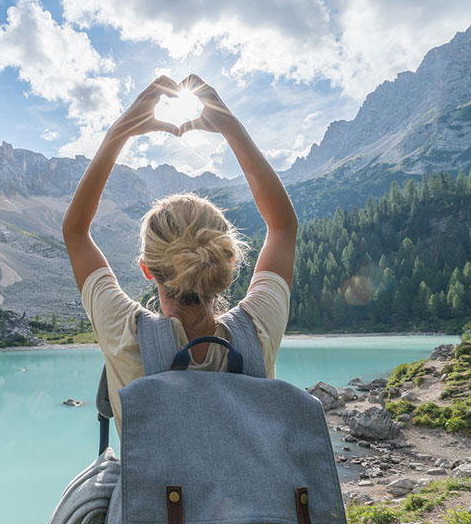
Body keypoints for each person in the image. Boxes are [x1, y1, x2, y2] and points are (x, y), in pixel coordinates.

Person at [61, 74, 297, 435]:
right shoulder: (259, 328)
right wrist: (231, 127)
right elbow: (282, 226)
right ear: (229, 264)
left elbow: (75, 232)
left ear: (146, 269)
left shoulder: (126, 335)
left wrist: (119, 132)